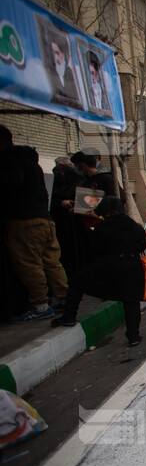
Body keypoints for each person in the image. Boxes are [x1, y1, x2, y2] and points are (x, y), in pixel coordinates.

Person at [51, 197, 145, 346]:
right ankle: (134, 336)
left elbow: (94, 250)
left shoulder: (102, 227)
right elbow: (142, 246)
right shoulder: (135, 226)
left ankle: (69, 316)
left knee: (76, 283)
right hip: (133, 266)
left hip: (109, 265)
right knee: (131, 301)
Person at [0, 125, 69, 322]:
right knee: (51, 261)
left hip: (24, 220)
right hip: (45, 218)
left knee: (29, 263)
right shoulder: (34, 165)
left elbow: (12, 182)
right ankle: (65, 297)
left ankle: (40, 304)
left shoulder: (9, 161)